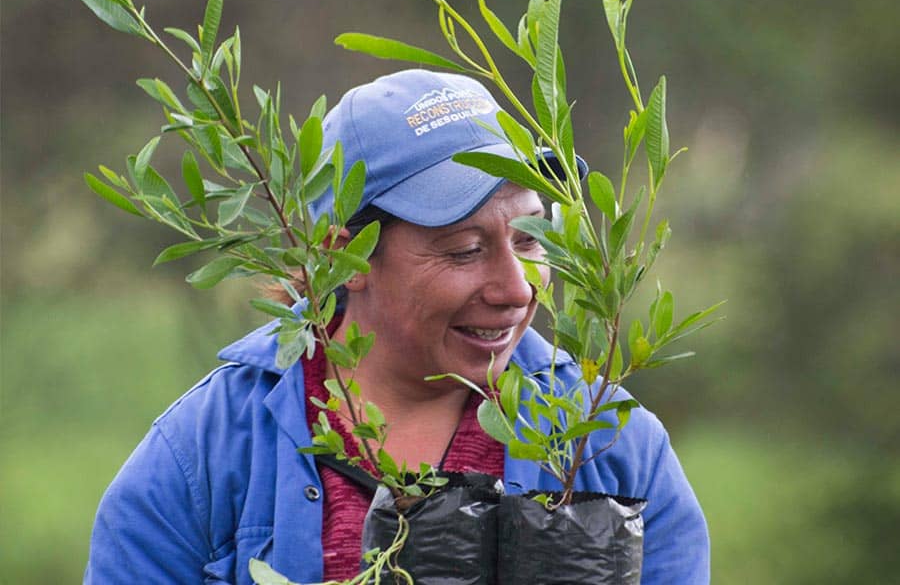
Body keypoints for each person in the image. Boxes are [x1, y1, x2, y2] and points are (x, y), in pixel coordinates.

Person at [84, 69, 710, 584]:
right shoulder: (202, 458)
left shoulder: (613, 447)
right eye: (464, 249)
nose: (516, 288)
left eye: (530, 238)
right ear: (341, 257)